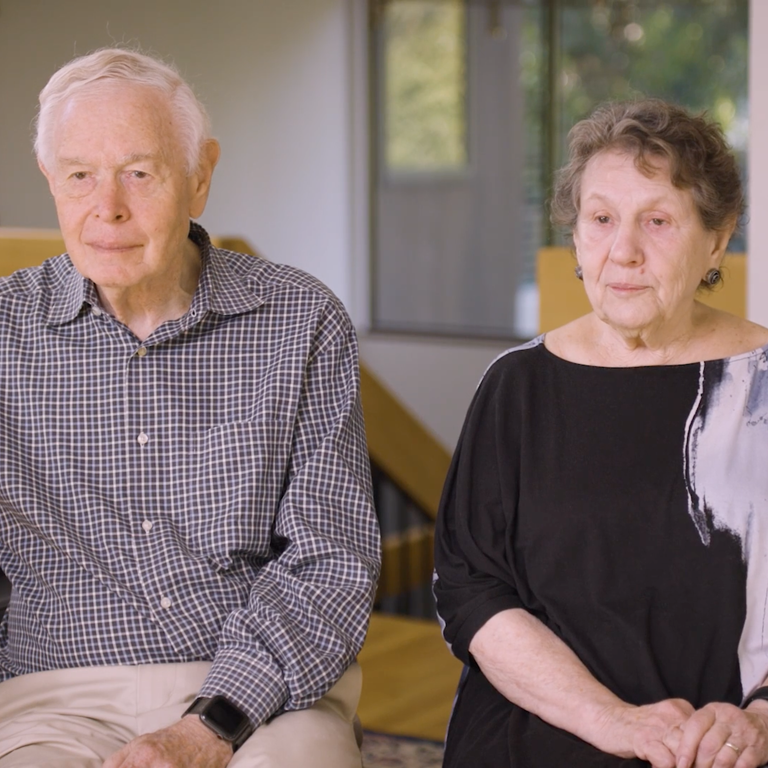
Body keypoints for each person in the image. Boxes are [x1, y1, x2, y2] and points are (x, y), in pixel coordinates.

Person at [0, 48, 380, 768]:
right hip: (49, 700)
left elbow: (330, 559)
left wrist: (208, 727)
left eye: (140, 173)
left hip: (265, 701)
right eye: (80, 176)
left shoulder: (301, 320)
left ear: (200, 175)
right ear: (52, 182)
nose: (107, 207)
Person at [433, 98, 768, 768]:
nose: (624, 251)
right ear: (577, 235)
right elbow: (469, 587)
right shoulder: (517, 387)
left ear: (718, 235)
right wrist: (612, 721)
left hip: (725, 737)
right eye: (602, 219)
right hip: (544, 726)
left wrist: (761, 719)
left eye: (659, 221)